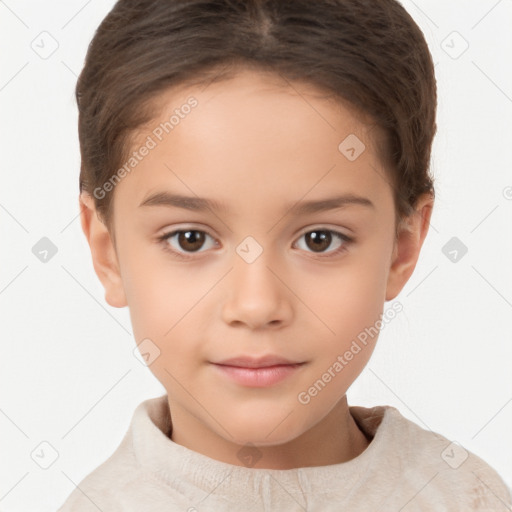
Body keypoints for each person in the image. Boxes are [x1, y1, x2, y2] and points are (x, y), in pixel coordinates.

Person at [58, 0, 512, 510]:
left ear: (401, 249)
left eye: (320, 239)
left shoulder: (467, 496)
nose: (256, 305)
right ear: (108, 251)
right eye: (190, 238)